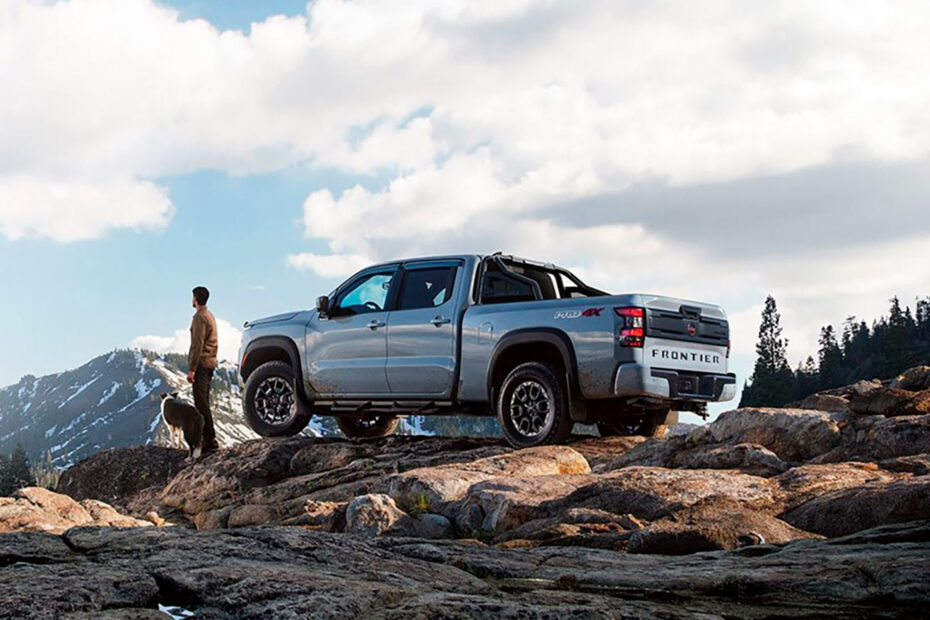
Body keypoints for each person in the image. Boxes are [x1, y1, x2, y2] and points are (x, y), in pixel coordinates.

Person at [188, 286, 219, 452]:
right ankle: (208, 437)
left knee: (201, 404)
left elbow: (197, 344)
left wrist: (192, 368)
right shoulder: (210, 315)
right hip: (210, 363)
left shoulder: (199, 318)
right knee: (204, 401)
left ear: (195, 298)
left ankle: (209, 439)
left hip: (201, 364)